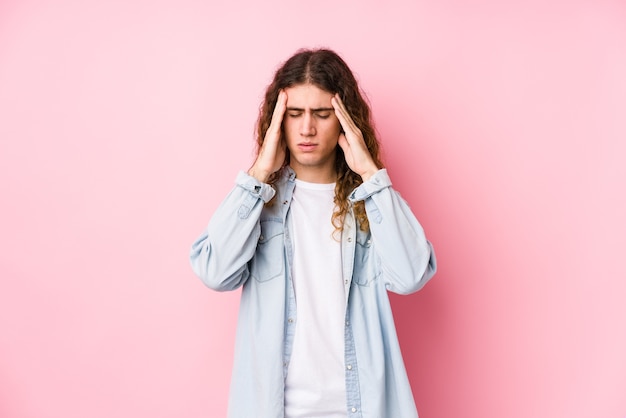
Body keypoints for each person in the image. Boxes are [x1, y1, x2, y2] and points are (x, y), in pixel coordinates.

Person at [190, 48, 437, 418]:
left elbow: (412, 276)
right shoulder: (260, 205)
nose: (307, 128)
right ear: (277, 121)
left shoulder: (369, 205)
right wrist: (258, 173)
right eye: (294, 114)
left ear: (344, 121)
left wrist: (371, 174)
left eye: (322, 114)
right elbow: (215, 272)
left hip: (362, 407)